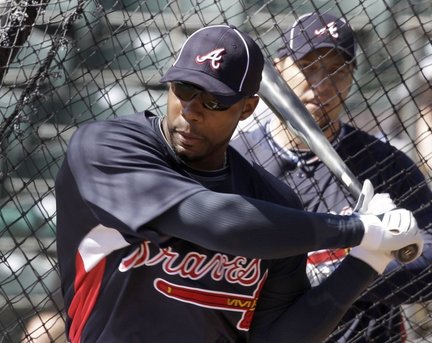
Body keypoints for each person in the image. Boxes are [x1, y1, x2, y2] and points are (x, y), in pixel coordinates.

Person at [55, 24, 423, 343]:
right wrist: (356, 229)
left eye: (214, 101)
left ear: (247, 108)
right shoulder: (106, 148)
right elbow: (213, 218)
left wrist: (369, 257)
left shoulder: (273, 203)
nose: (191, 110)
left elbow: (278, 336)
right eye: (184, 89)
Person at [231, 13, 432, 342]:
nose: (322, 84)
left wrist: (346, 270)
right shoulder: (236, 160)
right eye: (308, 66)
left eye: (337, 70)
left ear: (352, 78)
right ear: (280, 68)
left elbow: (429, 259)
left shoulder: (385, 165)